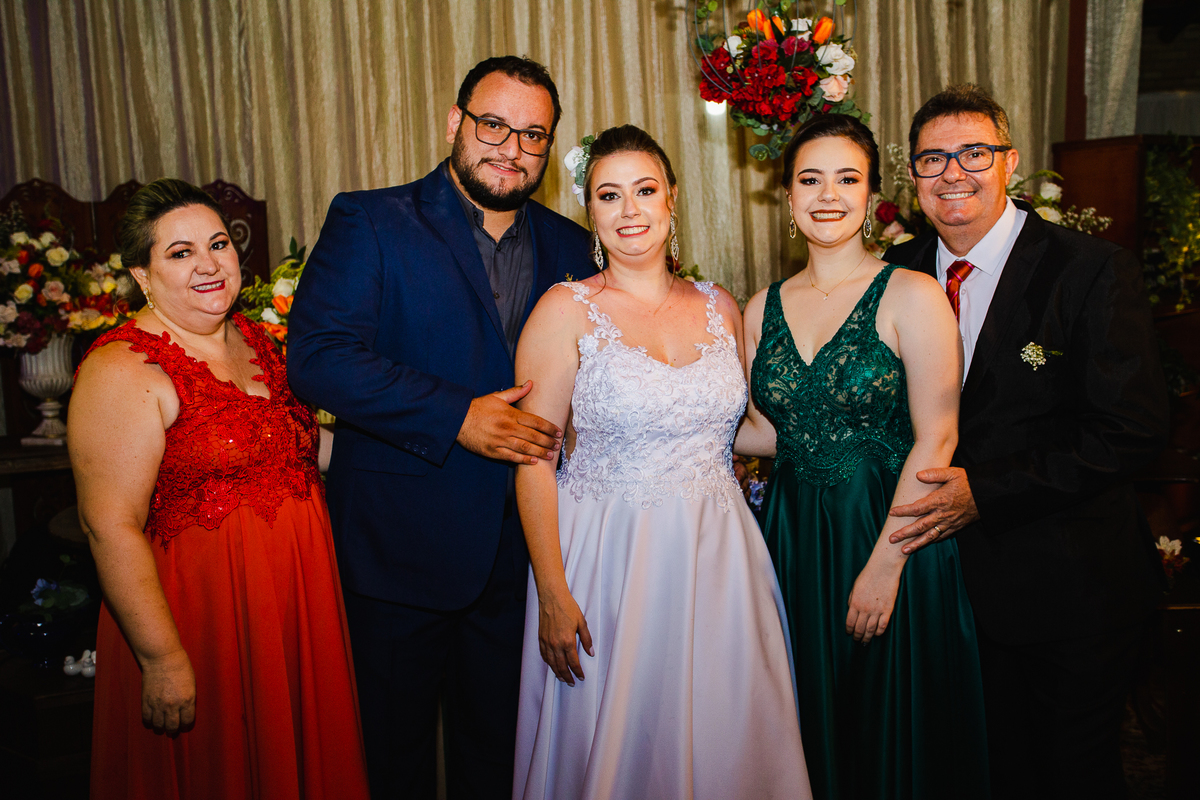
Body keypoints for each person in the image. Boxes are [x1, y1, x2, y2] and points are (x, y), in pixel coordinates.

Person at [286, 56, 592, 799]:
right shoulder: (371, 220)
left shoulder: (573, 246)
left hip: (522, 559)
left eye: (532, 135)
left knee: (503, 761)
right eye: (493, 125)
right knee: (393, 764)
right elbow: (319, 359)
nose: (511, 148)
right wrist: (456, 416)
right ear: (456, 122)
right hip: (398, 551)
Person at [883, 85, 1169, 799]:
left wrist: (986, 491)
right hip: (944, 591)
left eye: (973, 153)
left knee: (1069, 777)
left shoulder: (1089, 269)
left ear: (1009, 162)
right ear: (913, 177)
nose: (953, 172)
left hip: (1069, 591)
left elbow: (1131, 428)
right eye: (933, 158)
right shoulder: (895, 275)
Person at [511, 124, 811, 800]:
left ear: (672, 197)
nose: (630, 210)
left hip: (719, 555)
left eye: (645, 190)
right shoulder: (565, 310)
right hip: (608, 556)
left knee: (725, 730)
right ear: (590, 209)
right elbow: (533, 460)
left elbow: (740, 431)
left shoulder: (720, 306)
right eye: (609, 195)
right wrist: (553, 591)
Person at [69, 178, 369, 800]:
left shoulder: (262, 342)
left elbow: (302, 447)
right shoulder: (121, 368)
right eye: (180, 253)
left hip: (294, 608)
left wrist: (434, 439)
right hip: (200, 622)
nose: (208, 264)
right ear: (142, 275)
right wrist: (161, 657)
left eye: (218, 244)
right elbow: (108, 526)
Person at [737, 114, 990, 799]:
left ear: (872, 195)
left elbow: (937, 439)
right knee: (808, 723)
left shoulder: (912, 294)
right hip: (794, 541)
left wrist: (885, 565)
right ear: (787, 196)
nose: (828, 195)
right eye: (810, 179)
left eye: (847, 179)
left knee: (887, 728)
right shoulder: (761, 308)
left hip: (891, 534)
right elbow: (769, 432)